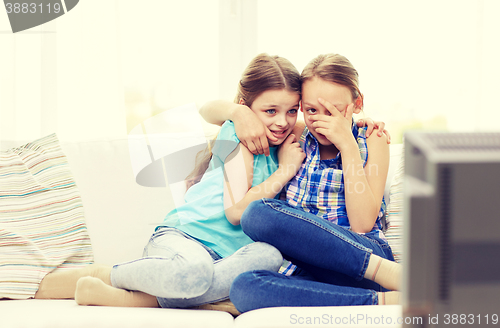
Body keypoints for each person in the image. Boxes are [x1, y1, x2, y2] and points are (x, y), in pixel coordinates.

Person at [34, 53, 307, 309]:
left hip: (228, 259)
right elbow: (236, 212)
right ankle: (109, 277)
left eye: (292, 111)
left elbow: (328, 120)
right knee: (194, 272)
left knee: (269, 256)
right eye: (270, 111)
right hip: (184, 240)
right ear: (247, 109)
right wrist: (283, 168)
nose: (282, 122)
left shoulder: (287, 137)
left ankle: (173, 295)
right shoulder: (236, 134)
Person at [202, 53, 401, 313]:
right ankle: (378, 302)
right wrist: (239, 112)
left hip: (369, 262)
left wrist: (348, 145)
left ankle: (393, 281)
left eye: (334, 111)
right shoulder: (296, 133)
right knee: (245, 283)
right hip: (309, 266)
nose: (322, 121)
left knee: (257, 212)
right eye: (311, 110)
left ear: (357, 103)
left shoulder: (370, 139)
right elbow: (207, 110)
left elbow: (362, 224)